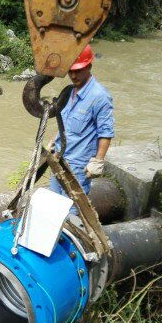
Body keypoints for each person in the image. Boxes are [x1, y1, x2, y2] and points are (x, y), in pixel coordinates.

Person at [49, 44, 115, 208]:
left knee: (71, 213)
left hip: (78, 168)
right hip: (59, 159)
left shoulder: (99, 96)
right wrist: (54, 140)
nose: (73, 75)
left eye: (77, 70)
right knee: (52, 207)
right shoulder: (70, 91)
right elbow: (67, 123)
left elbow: (105, 132)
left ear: (89, 66)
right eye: (70, 71)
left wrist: (98, 161)